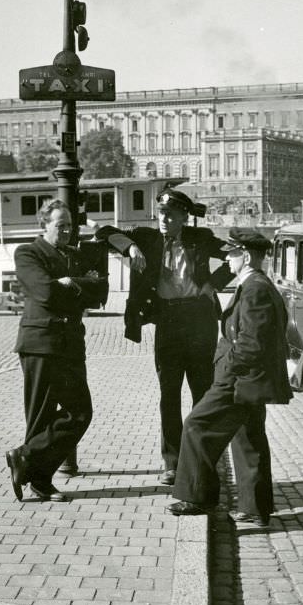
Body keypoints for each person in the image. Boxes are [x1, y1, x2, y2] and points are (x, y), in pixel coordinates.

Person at [94, 186, 233, 485]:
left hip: (199, 320)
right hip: (168, 322)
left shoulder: (201, 239)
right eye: (161, 215)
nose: (164, 221)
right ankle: (172, 463)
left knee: (203, 392)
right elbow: (104, 232)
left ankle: (201, 457)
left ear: (184, 217)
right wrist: (129, 248)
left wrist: (213, 285)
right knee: (169, 395)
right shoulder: (147, 237)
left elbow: (236, 255)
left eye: (171, 216)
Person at [166, 227, 292, 528]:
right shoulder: (257, 284)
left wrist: (226, 370)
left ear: (246, 256)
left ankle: (196, 498)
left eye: (233, 254)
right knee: (248, 440)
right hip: (250, 380)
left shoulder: (255, 288)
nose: (228, 260)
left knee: (197, 425)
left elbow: (251, 343)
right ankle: (254, 509)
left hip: (239, 380)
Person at [5, 199, 107, 502]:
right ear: (43, 225)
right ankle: (40, 480)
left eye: (69, 226)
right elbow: (45, 292)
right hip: (41, 344)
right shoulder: (28, 253)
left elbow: (99, 294)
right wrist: (78, 287)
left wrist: (69, 284)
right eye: (59, 224)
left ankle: (24, 457)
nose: (65, 230)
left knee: (80, 413)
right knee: (40, 415)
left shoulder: (74, 256)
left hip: (71, 345)